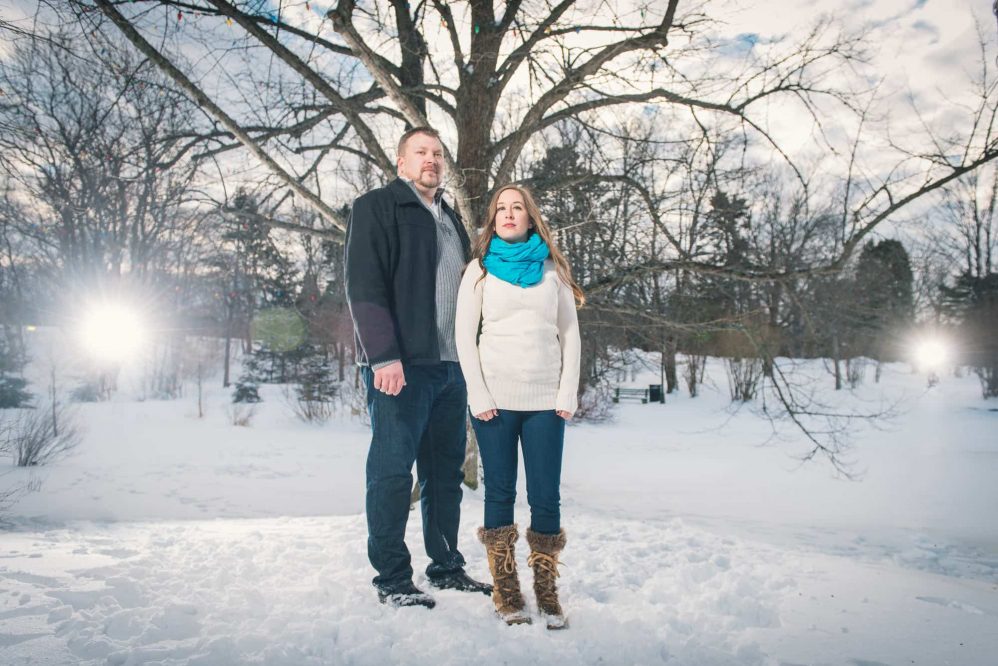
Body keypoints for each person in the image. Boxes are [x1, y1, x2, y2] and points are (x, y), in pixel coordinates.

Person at [344, 127, 492, 608]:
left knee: (444, 473)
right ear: (401, 161)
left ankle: (446, 567)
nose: (431, 160)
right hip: (402, 366)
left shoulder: (448, 217)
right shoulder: (378, 207)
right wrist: (383, 355)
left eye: (437, 154)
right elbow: (364, 287)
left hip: (452, 367)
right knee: (391, 472)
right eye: (420, 153)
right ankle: (391, 578)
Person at [454, 184, 583, 629]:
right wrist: (479, 395)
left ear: (530, 218)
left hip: (546, 400)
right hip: (495, 403)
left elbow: (570, 335)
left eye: (518, 208)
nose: (509, 214)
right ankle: (506, 591)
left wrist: (567, 392)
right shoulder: (478, 271)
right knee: (500, 493)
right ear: (493, 219)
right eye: (501, 209)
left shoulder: (553, 271)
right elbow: (463, 337)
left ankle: (546, 594)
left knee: (546, 497)